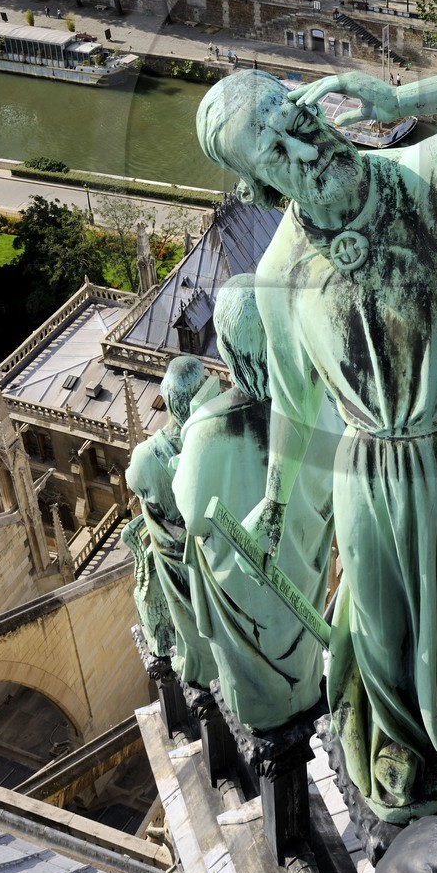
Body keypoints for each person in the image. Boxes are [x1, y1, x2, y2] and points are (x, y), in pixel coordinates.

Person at [195, 52, 437, 823]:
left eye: (292, 118)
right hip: (372, 476)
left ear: (315, 105)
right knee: (390, 661)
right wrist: (272, 500)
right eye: (274, 151)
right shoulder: (280, 276)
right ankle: (400, 769)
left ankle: (417, 738)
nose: (304, 147)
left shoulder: (430, 181)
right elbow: (297, 407)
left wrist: (403, 95)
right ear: (263, 185)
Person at [172, 276, 339, 730]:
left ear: (227, 347)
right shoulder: (322, 410)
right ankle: (301, 692)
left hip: (241, 603)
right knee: (302, 674)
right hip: (301, 579)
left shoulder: (207, 429)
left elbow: (191, 517)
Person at [125, 355, 215, 689]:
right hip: (212, 557)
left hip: (174, 562)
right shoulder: (215, 441)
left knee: (187, 626)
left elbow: (134, 481)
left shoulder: (147, 455)